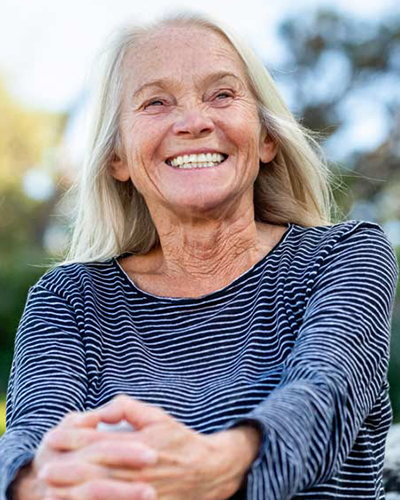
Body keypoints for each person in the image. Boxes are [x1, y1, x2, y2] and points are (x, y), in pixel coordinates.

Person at [0, 11, 398, 500]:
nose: (193, 122)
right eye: (156, 102)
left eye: (222, 95)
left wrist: (214, 466)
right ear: (118, 158)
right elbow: (31, 441)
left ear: (266, 137)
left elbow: (325, 399)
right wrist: (38, 485)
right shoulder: (69, 299)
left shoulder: (343, 256)